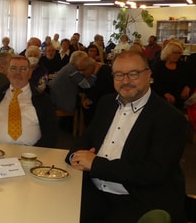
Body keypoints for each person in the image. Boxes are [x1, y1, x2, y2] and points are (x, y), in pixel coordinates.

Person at [66, 50, 187, 223]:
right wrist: (75, 156)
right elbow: (86, 139)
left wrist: (95, 164)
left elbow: (153, 172)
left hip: (136, 199)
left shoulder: (170, 118)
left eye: (133, 74)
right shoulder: (106, 102)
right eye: (119, 75)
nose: (126, 81)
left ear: (148, 74)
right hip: (92, 191)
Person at [0, 55, 57, 147]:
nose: (18, 73)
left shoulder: (43, 100)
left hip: (30, 156)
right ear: (7, 72)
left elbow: (51, 135)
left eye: (23, 69)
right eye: (13, 68)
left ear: (30, 73)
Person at [151, 41, 190, 109]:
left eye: (179, 53)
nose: (177, 55)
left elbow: (191, 78)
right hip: (161, 97)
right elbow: (155, 83)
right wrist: (166, 94)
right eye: (174, 53)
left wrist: (187, 87)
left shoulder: (183, 65)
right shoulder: (159, 66)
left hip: (179, 99)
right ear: (167, 53)